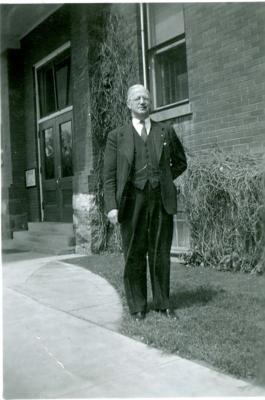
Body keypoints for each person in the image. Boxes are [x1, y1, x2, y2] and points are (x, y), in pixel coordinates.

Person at [103, 84, 187, 321]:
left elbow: (180, 162)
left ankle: (163, 302)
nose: (142, 102)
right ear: (128, 104)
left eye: (146, 98)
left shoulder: (165, 131)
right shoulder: (116, 136)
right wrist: (111, 206)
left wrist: (165, 180)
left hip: (161, 199)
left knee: (160, 251)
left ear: (150, 103)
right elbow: (108, 176)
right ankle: (138, 306)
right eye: (137, 98)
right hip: (131, 202)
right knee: (134, 253)